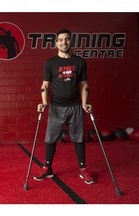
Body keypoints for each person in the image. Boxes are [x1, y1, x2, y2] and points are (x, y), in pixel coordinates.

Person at [33, 29, 96, 184]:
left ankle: (82, 169)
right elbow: (45, 85)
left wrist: (85, 103)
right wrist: (44, 102)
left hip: (75, 106)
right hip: (56, 107)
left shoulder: (79, 62)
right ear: (56, 43)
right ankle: (47, 168)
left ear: (71, 42)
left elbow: (84, 84)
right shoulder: (50, 63)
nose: (64, 42)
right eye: (60, 40)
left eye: (67, 39)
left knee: (78, 138)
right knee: (50, 139)